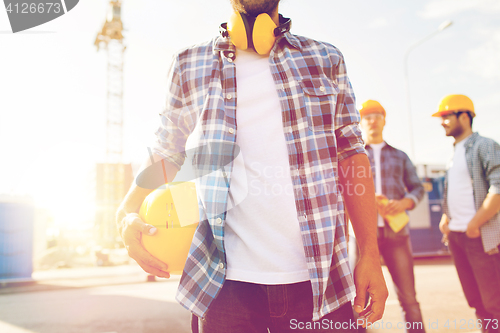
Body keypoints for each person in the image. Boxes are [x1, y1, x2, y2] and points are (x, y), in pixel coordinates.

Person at [116, 1, 388, 332]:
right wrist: (126, 211)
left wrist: (370, 254)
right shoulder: (189, 63)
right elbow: (167, 151)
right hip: (222, 287)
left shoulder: (326, 58)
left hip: (323, 285)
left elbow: (350, 153)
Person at [350, 100, 426, 333]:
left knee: (409, 297)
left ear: (384, 120)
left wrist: (404, 202)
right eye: (368, 116)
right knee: (358, 298)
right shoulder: (353, 155)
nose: (372, 120)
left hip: (396, 234)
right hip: (362, 237)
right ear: (361, 122)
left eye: (377, 115)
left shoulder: (400, 156)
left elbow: (417, 188)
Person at [433, 94, 500, 333]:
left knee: (495, 305)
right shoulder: (454, 152)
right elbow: (457, 190)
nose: (442, 122)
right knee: (477, 303)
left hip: (479, 237)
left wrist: (475, 224)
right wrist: (446, 217)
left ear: (464, 116)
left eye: (445, 116)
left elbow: (499, 187)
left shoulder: (485, 145)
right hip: (458, 237)